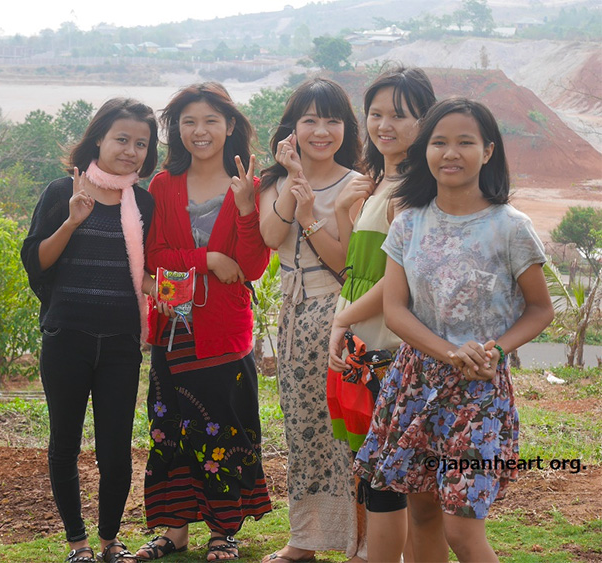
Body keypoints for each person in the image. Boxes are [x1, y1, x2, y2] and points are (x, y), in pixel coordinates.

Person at [353, 97, 554, 562]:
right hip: (415, 384)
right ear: (424, 150)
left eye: (465, 141)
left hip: (478, 389)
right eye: (439, 142)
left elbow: (540, 309)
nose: (451, 152)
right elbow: (396, 310)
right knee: (421, 514)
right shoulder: (407, 224)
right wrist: (447, 351)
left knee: (462, 531)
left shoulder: (510, 227)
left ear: (488, 151)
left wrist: (494, 351)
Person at [21, 98, 172, 563]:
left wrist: (167, 289)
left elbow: (142, 273)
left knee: (116, 448)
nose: (131, 151)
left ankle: (109, 541)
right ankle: (77, 545)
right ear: (99, 139)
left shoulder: (142, 201)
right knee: (64, 442)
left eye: (141, 144)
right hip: (68, 337)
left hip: (122, 342)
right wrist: (72, 220)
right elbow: (36, 262)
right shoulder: (61, 191)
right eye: (122, 139)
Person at [135, 82, 272, 562]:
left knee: (223, 429)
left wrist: (247, 210)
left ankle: (223, 532)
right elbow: (153, 256)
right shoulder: (163, 186)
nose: (200, 131)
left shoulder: (249, 187)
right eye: (189, 122)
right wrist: (210, 257)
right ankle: (172, 532)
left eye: (211, 121)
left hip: (223, 333)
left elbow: (252, 267)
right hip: (171, 331)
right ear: (177, 130)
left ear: (230, 126)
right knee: (167, 430)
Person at [326, 66, 436, 563]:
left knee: (392, 469)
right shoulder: (381, 181)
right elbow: (361, 264)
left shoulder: (416, 188)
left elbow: (400, 281)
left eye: (400, 114)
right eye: (376, 113)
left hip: (389, 345)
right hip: (362, 340)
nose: (384, 124)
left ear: (426, 120)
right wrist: (348, 219)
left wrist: (342, 319)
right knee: (372, 464)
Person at [258, 78, 367, 563]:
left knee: (348, 430)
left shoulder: (358, 184)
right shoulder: (274, 181)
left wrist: (310, 214)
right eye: (310, 120)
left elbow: (348, 265)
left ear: (347, 128)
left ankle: (361, 541)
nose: (321, 131)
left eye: (332, 120)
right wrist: (292, 183)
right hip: (294, 313)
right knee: (302, 430)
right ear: (292, 128)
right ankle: (305, 538)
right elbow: (267, 236)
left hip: (342, 315)